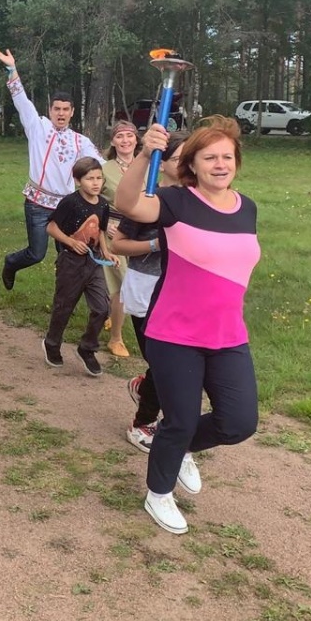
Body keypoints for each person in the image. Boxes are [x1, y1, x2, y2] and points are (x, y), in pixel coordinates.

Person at [114, 116, 261, 536]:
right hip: (175, 333)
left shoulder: (246, 207)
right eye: (209, 157)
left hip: (228, 334)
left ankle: (177, 448)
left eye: (227, 156)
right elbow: (128, 205)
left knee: (238, 421)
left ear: (237, 162)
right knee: (179, 419)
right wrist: (144, 153)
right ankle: (158, 492)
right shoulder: (177, 202)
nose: (220, 164)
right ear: (192, 165)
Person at [0, 48, 102, 291]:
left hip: (67, 207)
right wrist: (12, 69)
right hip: (38, 203)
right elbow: (22, 101)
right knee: (36, 253)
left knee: (69, 254)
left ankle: (65, 294)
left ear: (72, 112)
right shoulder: (37, 127)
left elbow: (101, 165)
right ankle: (11, 263)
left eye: (65, 109)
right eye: (56, 109)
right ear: (50, 111)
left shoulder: (79, 141)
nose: (61, 113)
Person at [111, 131, 188, 454]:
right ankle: (142, 423)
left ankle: (145, 387)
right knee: (162, 363)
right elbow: (118, 244)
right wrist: (156, 244)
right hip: (146, 292)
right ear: (165, 163)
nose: (186, 164)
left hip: (181, 293)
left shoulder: (197, 200)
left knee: (169, 363)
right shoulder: (148, 200)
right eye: (179, 158)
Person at [42, 156, 118, 377]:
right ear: (77, 181)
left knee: (102, 308)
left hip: (93, 263)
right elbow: (51, 227)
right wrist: (70, 242)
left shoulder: (103, 204)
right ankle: (52, 343)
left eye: (99, 178)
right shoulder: (70, 202)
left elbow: (101, 231)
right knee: (64, 306)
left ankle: (87, 348)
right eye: (89, 178)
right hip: (70, 262)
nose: (95, 183)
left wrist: (106, 251)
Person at [99, 121, 140, 359]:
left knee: (143, 283)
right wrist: (105, 226)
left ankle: (114, 317)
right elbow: (92, 200)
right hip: (114, 232)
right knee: (123, 286)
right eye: (120, 137)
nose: (125, 141)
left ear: (136, 139)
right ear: (113, 142)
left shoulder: (148, 166)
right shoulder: (105, 170)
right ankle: (116, 338)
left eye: (129, 136)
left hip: (142, 232)